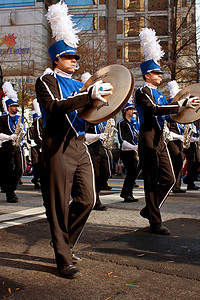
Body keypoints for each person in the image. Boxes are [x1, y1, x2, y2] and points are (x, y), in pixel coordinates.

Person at [35, 1, 112, 279]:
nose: (74, 62)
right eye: (69, 58)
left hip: (80, 145)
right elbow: (55, 107)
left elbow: (88, 112)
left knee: (87, 200)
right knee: (58, 204)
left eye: (75, 59)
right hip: (57, 147)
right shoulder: (46, 81)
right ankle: (63, 258)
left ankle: (63, 242)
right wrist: (87, 95)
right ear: (56, 59)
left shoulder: (82, 84)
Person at [134, 28, 200, 235]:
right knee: (152, 180)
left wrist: (186, 108)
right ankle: (155, 221)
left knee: (170, 178)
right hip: (147, 136)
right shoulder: (142, 91)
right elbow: (154, 110)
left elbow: (170, 115)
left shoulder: (161, 95)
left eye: (160, 72)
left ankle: (149, 209)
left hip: (160, 137)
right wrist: (179, 105)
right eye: (157, 73)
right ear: (147, 75)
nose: (160, 75)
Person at [0, 82, 25, 203]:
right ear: (9, 107)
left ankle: (11, 188)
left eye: (16, 106)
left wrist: (22, 134)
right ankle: (10, 193)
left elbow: (22, 130)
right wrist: (9, 137)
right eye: (14, 106)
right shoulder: (3, 118)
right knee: (8, 171)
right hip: (6, 147)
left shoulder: (19, 118)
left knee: (20, 170)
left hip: (17, 147)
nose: (16, 108)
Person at [117, 102, 139, 202]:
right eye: (130, 109)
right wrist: (134, 147)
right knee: (132, 172)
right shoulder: (122, 123)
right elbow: (122, 140)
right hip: (126, 150)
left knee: (134, 173)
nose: (132, 111)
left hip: (134, 150)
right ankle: (126, 194)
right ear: (125, 111)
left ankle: (128, 193)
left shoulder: (133, 123)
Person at [183, 123, 200, 190]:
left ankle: (188, 179)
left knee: (198, 161)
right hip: (188, 143)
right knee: (191, 162)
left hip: (194, 143)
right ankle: (189, 182)